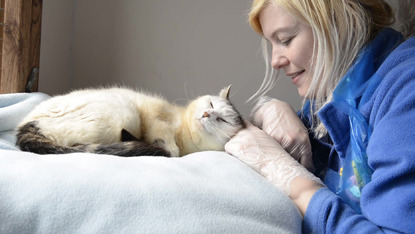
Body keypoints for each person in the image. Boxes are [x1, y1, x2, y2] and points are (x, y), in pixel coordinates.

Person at [225, 0, 415, 233]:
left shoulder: (406, 93)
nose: (275, 61)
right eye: (271, 43)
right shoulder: (335, 95)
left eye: (286, 40)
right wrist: (266, 111)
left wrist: (300, 189)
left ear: (342, 20)